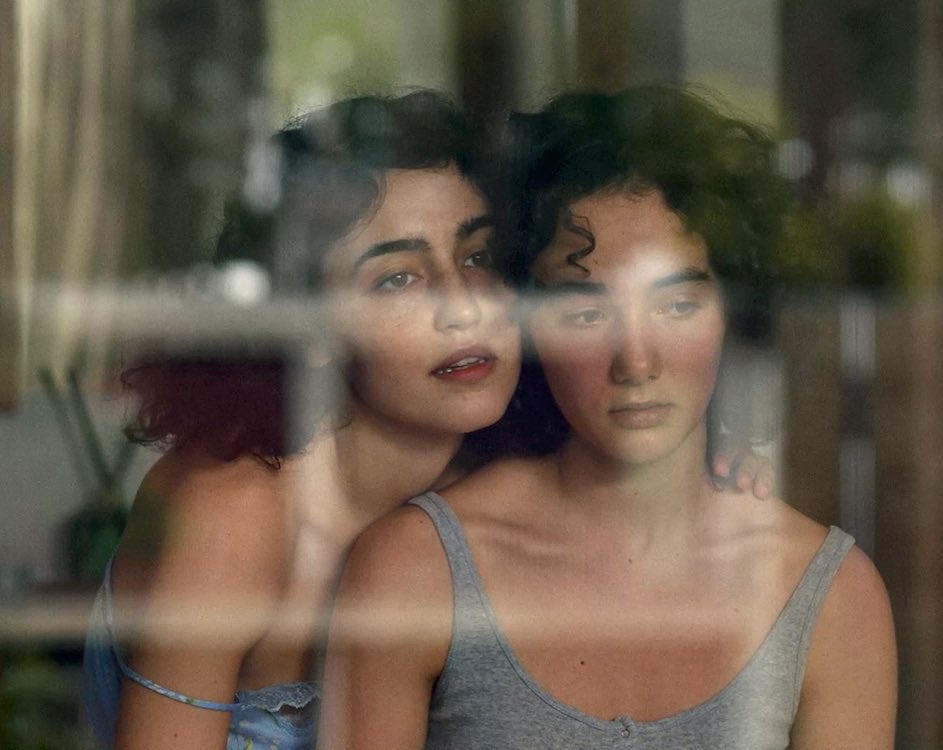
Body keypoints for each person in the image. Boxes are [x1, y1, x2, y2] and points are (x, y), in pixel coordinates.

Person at [82, 90, 773, 750]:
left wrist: (720, 470)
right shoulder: (235, 514)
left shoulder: (511, 472)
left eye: (476, 257)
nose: (463, 305)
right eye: (398, 279)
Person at [320, 86, 897, 749]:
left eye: (676, 305)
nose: (637, 360)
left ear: (735, 316)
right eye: (586, 312)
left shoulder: (832, 599)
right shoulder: (415, 568)